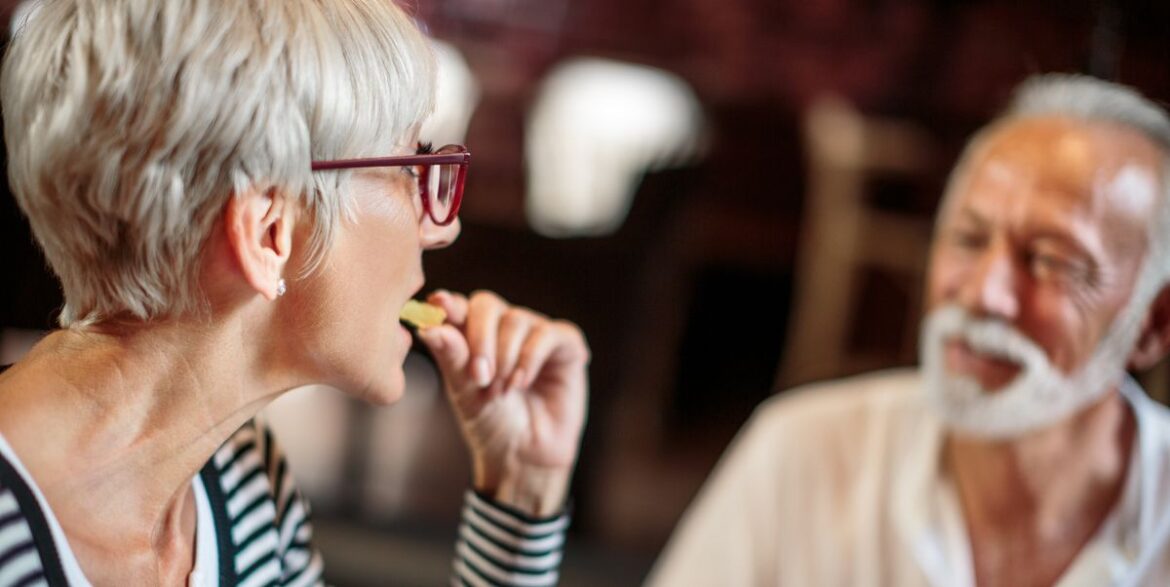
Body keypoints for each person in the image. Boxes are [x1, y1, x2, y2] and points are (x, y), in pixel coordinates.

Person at [0, 1, 589, 585]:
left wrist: (519, 490)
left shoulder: (241, 485)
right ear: (269, 231)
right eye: (411, 167)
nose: (443, 227)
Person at [649, 74, 1170, 586]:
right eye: (968, 239)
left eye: (1051, 261)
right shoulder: (802, 455)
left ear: (1153, 323)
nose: (984, 294)